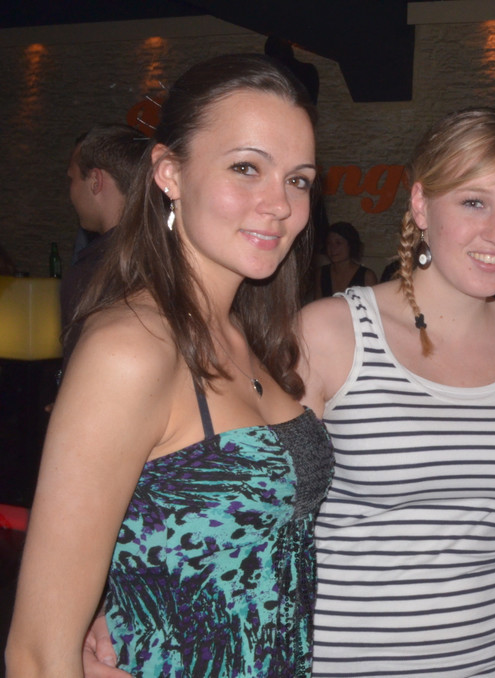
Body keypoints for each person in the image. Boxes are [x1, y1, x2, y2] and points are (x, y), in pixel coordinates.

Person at [6, 53, 333, 677]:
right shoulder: (130, 348)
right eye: (246, 168)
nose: (280, 204)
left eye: (298, 179)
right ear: (169, 173)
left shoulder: (248, 332)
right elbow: (37, 654)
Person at [299, 107, 495, 677]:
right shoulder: (329, 333)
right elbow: (261, 516)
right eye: (474, 202)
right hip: (345, 663)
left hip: (493, 662)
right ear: (421, 205)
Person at [61, 123, 149, 360]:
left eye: (72, 179)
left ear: (95, 181)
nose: (70, 192)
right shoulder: (169, 256)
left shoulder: (91, 274)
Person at [312, 220, 378, 298]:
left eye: (338, 243)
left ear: (351, 245)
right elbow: (318, 302)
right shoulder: (321, 273)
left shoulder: (367, 276)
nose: (332, 248)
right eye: (329, 243)